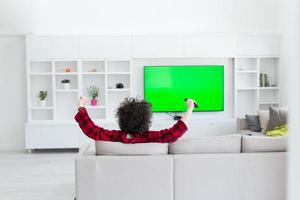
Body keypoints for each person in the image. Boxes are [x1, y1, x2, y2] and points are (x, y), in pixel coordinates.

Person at [75, 96, 195, 143]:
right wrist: (190, 108)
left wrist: (81, 105)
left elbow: (91, 130)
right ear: (147, 120)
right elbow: (176, 132)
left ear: (121, 119)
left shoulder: (114, 137)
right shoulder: (154, 138)